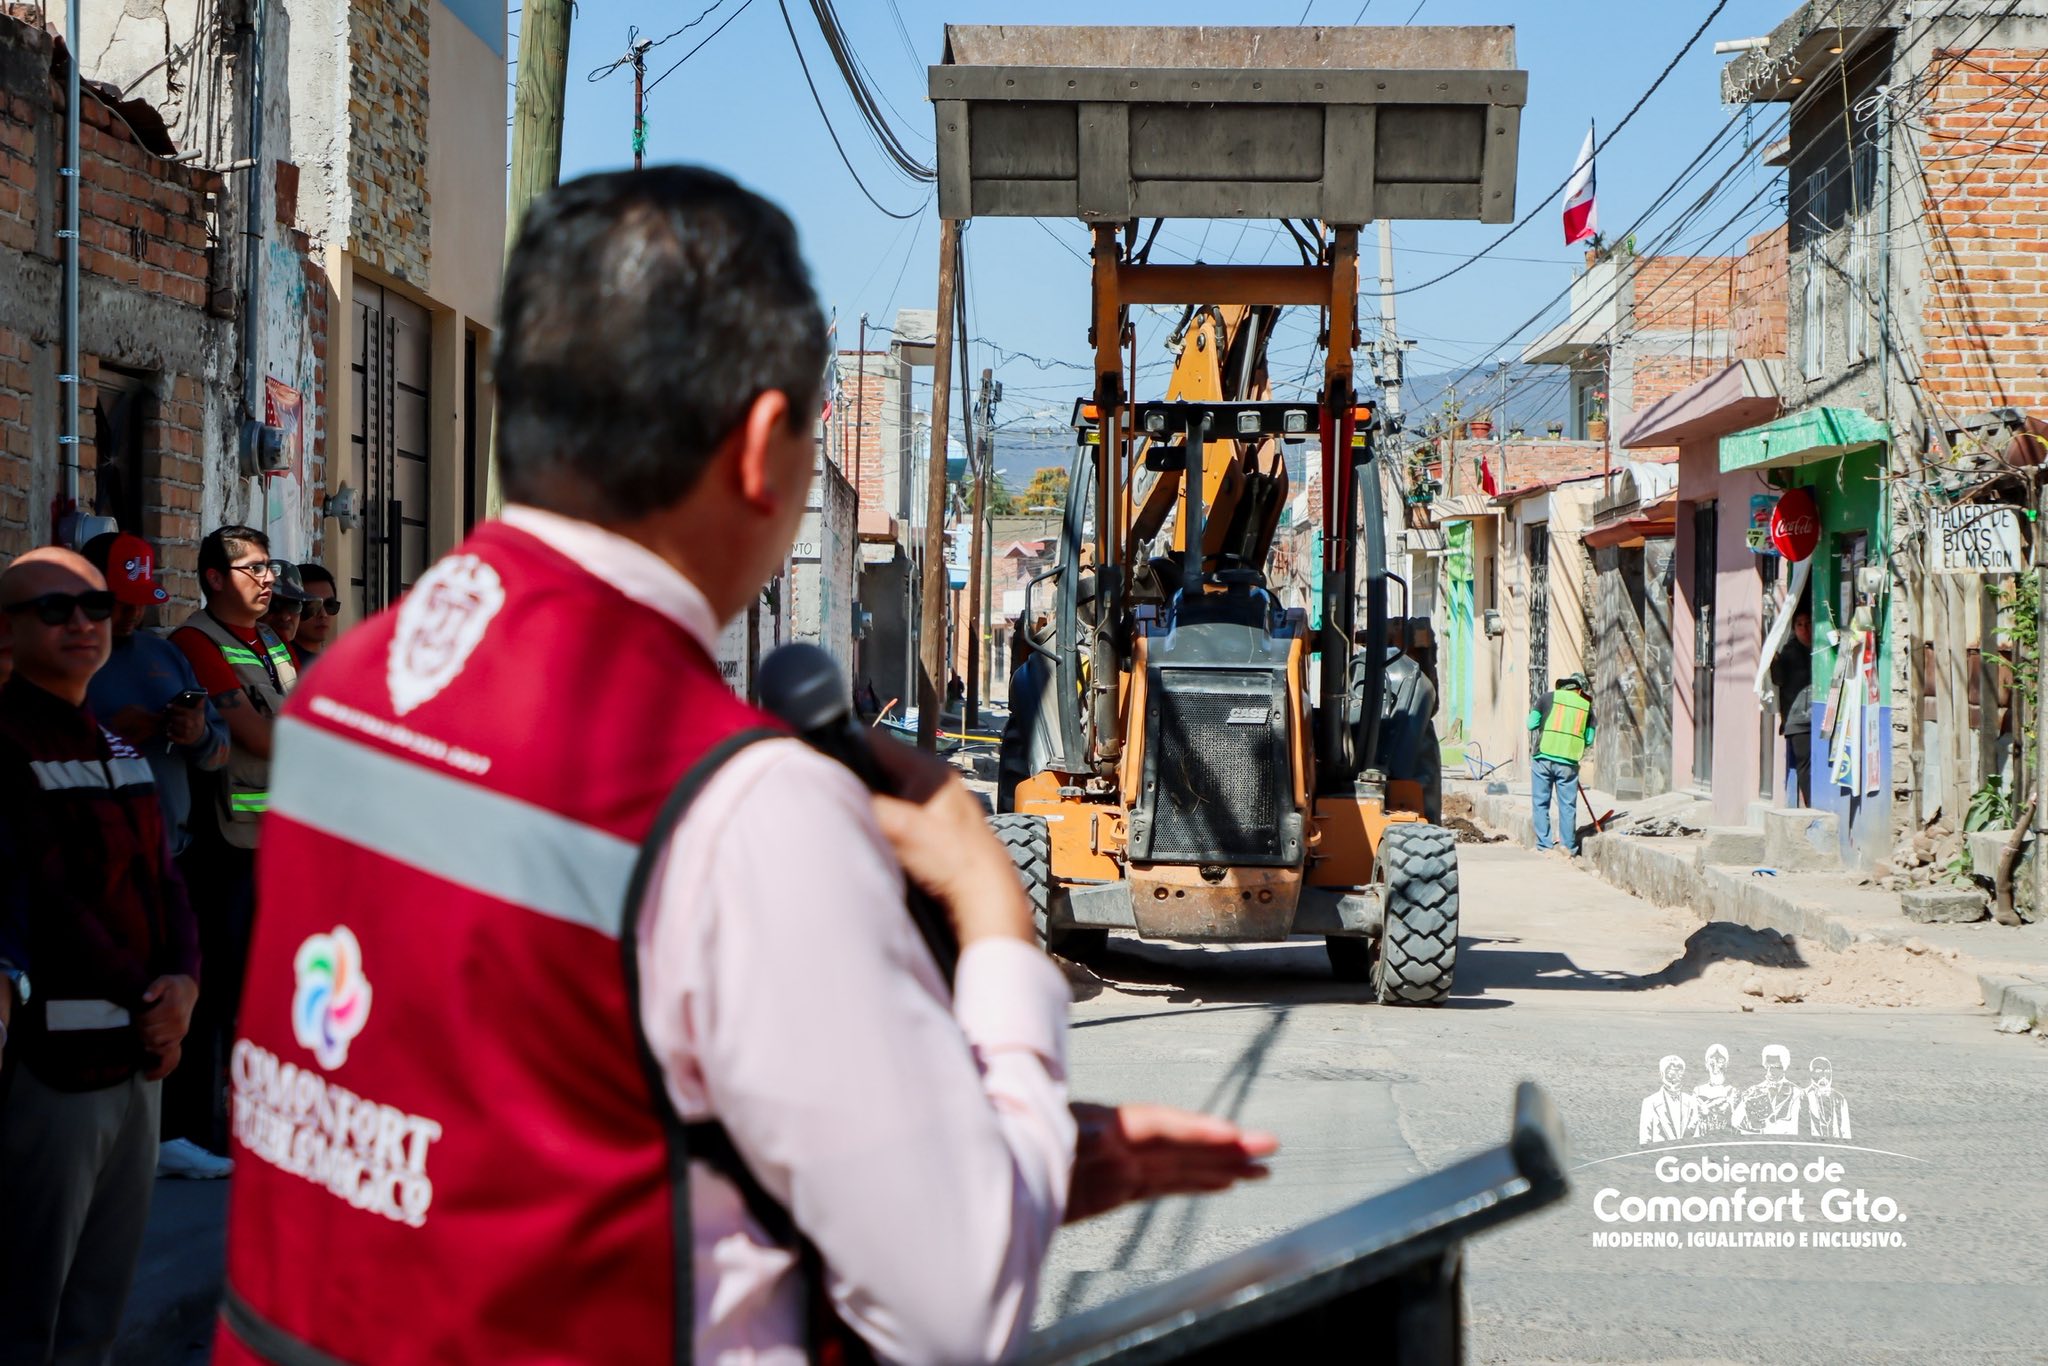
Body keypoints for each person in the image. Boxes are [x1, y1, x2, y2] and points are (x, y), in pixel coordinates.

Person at [215, 167, 1274, 1365]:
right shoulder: (736, 803)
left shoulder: (353, 685)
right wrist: (989, 909)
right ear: (767, 447)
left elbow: (501, 1109)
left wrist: (960, 1145)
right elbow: (959, 1305)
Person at [0, 547, 201, 1362]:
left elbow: (166, 878)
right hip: (56, 1069)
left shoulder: (118, 745)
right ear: (9, 630)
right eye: (55, 609)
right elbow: (47, 899)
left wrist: (185, 983)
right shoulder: (7, 743)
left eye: (91, 605)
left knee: (99, 1308)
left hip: (139, 1061)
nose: (82, 622)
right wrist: (149, 998)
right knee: (27, 1312)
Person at [80, 533, 235, 1181]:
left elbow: (222, 752)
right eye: (117, 604)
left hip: (173, 853)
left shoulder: (164, 657)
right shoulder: (69, 656)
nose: (130, 618)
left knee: (177, 1000)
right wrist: (116, 735)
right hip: (92, 863)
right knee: (102, 1005)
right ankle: (100, 1141)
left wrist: (196, 735)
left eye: (140, 604)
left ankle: (170, 1132)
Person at [168, 526, 297, 1159]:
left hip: (276, 842)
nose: (268, 578)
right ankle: (194, 1128)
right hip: (227, 844)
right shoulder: (195, 641)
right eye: (252, 569)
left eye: (269, 566)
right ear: (215, 578)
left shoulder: (270, 640)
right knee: (217, 987)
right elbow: (260, 735)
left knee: (260, 989)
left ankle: (245, 1116)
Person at [1528, 671, 1596, 857]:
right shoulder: (1586, 707)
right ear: (1580, 690)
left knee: (1540, 803)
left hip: (1543, 757)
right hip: (1568, 763)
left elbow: (1531, 723)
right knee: (1567, 806)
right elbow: (1589, 739)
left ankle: (1544, 845)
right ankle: (1568, 847)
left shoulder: (1547, 698)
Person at [1772, 608, 1814, 806]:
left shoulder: (1822, 649)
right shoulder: (1789, 653)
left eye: (1808, 624)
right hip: (1797, 719)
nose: (1804, 629)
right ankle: (1812, 805)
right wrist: (1775, 663)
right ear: (1794, 629)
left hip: (1822, 716)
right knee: (1804, 764)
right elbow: (1778, 679)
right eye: (1800, 625)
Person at [1638, 1055, 1700, 1146]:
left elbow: (1696, 1137)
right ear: (1661, 1074)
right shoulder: (1649, 1103)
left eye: (1679, 1071)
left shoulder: (1691, 1102)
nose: (1674, 1076)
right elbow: (1645, 1140)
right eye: (1669, 1071)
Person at [292, 563, 341, 671]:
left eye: (330, 605)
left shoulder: (337, 664)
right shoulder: (284, 665)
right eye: (313, 606)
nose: (323, 615)